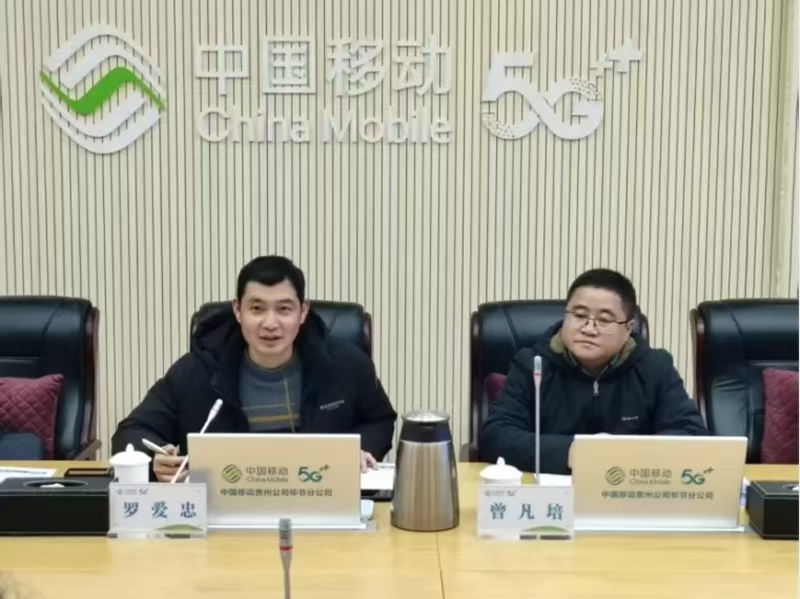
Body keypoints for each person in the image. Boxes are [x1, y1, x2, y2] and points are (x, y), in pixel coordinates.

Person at [112, 255, 397, 481]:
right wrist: (154, 461)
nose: (270, 324)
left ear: (303, 312)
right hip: (224, 512)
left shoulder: (345, 365)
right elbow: (132, 432)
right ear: (238, 310)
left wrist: (361, 450)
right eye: (257, 309)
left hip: (318, 499)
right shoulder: (197, 371)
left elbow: (379, 420)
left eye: (284, 309)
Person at [479, 268, 707, 474]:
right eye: (579, 316)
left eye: (604, 320)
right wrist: (570, 451)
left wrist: (625, 453)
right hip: (554, 492)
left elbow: (692, 434)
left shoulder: (655, 367)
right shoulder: (533, 364)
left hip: (628, 492)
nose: (588, 329)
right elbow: (496, 436)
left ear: (628, 329)